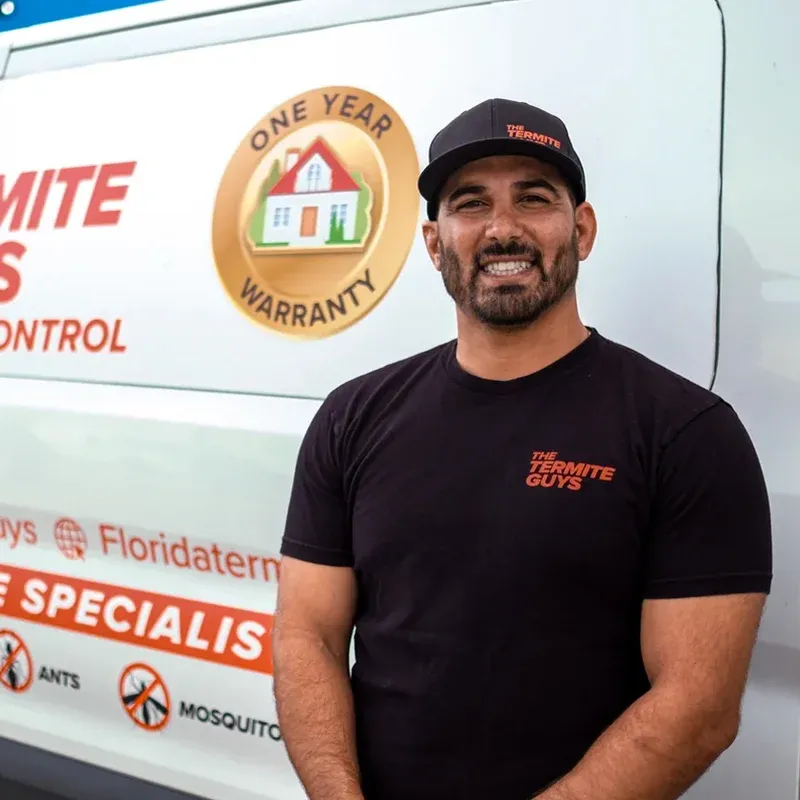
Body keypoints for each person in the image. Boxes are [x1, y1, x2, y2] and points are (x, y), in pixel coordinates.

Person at [272, 98, 773, 800]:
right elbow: (307, 637)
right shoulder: (353, 417)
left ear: (583, 229)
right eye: (470, 204)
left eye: (534, 199)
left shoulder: (687, 433)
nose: (503, 229)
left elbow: (698, 708)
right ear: (433, 243)